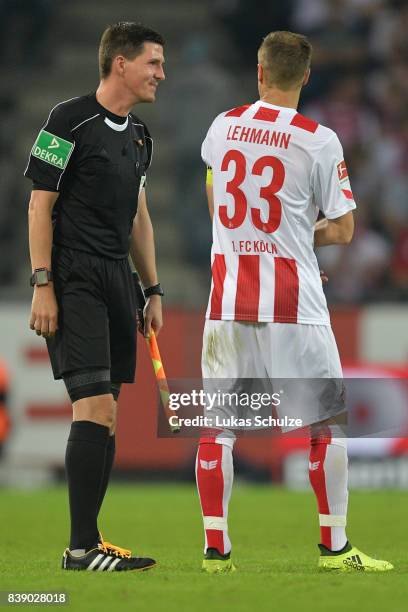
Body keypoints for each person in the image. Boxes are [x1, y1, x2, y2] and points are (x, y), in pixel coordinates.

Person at [196, 31, 393, 573]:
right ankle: (334, 548)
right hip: (293, 301)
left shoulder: (223, 125)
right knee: (325, 425)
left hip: (226, 297)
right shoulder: (318, 139)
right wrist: (295, 237)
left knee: (217, 428)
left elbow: (215, 191)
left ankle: (216, 552)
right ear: (306, 77)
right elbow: (346, 229)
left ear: (259, 73)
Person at [24, 22, 165, 572]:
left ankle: (92, 539)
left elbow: (140, 217)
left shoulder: (141, 136)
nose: (161, 73)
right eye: (154, 62)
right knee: (95, 407)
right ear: (121, 64)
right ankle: (80, 549)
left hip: (116, 279)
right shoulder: (66, 119)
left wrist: (151, 289)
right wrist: (43, 284)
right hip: (74, 274)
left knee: (109, 417)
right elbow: (39, 205)